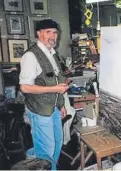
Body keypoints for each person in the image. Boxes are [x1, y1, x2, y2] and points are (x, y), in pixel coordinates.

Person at [19, 19, 69, 170]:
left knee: (58, 141)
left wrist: (61, 105)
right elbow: (25, 87)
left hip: (53, 108)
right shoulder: (31, 56)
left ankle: (41, 164)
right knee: (46, 148)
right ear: (39, 34)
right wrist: (55, 89)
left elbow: (54, 80)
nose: (52, 36)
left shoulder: (52, 54)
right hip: (40, 110)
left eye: (55, 32)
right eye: (48, 32)